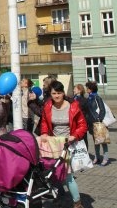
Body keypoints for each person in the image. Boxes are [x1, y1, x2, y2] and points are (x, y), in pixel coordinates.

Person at [39, 80, 88, 208]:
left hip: (69, 144)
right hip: (54, 143)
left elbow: (83, 125)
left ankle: (77, 202)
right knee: (54, 173)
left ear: (63, 93)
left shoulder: (73, 106)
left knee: (68, 175)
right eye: (54, 93)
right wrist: (44, 133)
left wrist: (74, 136)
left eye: (59, 93)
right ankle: (59, 197)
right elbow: (44, 122)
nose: (56, 96)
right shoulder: (48, 106)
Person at [85, 81, 110, 166]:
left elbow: (102, 109)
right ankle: (97, 157)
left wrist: (99, 119)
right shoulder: (89, 97)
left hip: (98, 123)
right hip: (91, 123)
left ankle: (106, 158)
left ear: (90, 89)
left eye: (87, 88)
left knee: (103, 141)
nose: (86, 89)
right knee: (96, 141)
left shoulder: (97, 97)